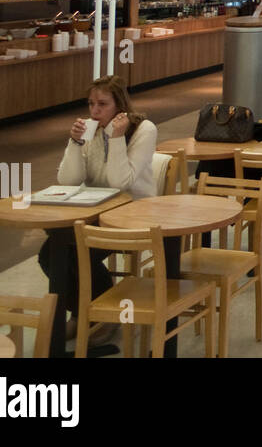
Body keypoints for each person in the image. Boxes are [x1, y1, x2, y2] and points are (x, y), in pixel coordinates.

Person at [38, 75, 157, 345]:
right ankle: (84, 313)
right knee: (50, 254)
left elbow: (120, 183)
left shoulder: (144, 130)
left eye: (102, 104)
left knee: (76, 254)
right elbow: (67, 180)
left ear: (120, 106)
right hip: (95, 211)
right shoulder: (91, 129)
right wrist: (75, 142)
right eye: (91, 104)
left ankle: (102, 316)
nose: (94, 111)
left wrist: (115, 138)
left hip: (132, 213)